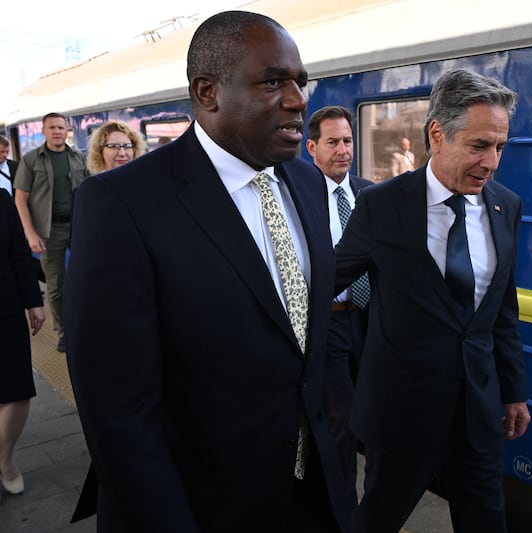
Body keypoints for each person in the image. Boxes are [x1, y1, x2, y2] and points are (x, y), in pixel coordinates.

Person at [64, 11, 352, 532]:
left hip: (315, 497)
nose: (297, 99)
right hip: (201, 505)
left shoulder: (308, 188)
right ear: (207, 92)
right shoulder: (120, 204)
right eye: (273, 82)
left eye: (300, 82)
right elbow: (117, 410)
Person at [335, 68, 531, 532]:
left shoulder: (506, 206)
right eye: (479, 146)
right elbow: (327, 279)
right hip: (402, 412)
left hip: (478, 410)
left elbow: (502, 308)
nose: (492, 162)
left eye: (501, 147)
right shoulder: (382, 206)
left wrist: (513, 389)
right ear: (437, 135)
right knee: (378, 519)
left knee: (486, 522)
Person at [305, 105, 371, 507]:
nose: (343, 149)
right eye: (332, 142)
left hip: (367, 322)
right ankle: (345, 511)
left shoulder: (368, 192)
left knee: (374, 418)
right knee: (340, 425)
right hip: (325, 323)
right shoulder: (299, 196)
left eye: (347, 140)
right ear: (312, 147)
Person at [14, 112, 89, 353]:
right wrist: (30, 234)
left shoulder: (78, 158)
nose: (57, 131)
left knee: (85, 279)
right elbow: (21, 199)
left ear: (67, 130)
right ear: (44, 131)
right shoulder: (31, 160)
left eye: (61, 127)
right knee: (56, 285)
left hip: (78, 226)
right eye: (52, 127)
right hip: (49, 231)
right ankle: (64, 331)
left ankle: (84, 324)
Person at [0, 190, 46, 503]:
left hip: (5, 307)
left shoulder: (2, 201)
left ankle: (4, 459)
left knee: (16, 392)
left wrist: (34, 302)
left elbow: (18, 253)